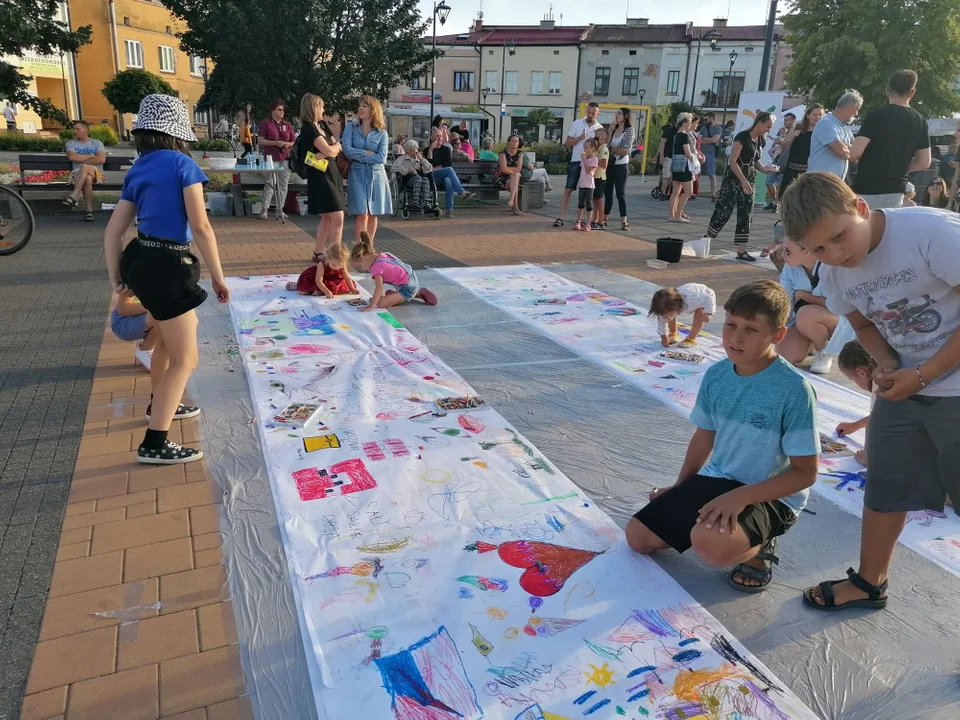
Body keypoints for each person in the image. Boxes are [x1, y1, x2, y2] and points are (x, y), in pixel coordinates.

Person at [780, 171, 960, 612]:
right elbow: (861, 321)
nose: (837, 255)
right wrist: (887, 364)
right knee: (886, 484)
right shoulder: (836, 270)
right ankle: (869, 582)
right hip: (909, 387)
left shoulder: (931, 234)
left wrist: (924, 374)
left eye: (840, 237)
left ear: (860, 207)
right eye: (820, 249)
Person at [626, 279, 819, 593]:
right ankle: (714, 523)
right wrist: (680, 487)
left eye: (750, 330)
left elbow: (805, 473)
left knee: (710, 546)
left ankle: (761, 547)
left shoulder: (794, 390)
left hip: (769, 494)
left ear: (777, 335)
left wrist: (740, 497)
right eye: (731, 325)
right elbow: (704, 437)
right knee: (638, 537)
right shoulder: (717, 375)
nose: (735, 338)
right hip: (719, 479)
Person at [104, 94, 229, 464]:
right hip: (170, 266)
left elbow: (113, 231)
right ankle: (155, 441)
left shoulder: (138, 168)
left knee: (167, 342)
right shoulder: (183, 165)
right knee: (186, 359)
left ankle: (160, 404)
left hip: (140, 260)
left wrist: (117, 277)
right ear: (178, 133)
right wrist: (220, 279)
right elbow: (201, 226)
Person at [696, 112, 778, 261]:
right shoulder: (742, 137)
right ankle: (706, 240)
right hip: (733, 178)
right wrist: (743, 180)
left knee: (746, 213)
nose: (768, 130)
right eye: (768, 126)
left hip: (749, 178)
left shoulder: (761, 140)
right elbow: (733, 161)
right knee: (724, 210)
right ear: (759, 122)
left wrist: (765, 170)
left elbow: (755, 161)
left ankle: (741, 250)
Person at [847, 71, 930, 209]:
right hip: (896, 189)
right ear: (912, 92)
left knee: (865, 228)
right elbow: (924, 162)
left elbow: (854, 153)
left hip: (867, 187)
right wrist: (901, 167)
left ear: (887, 91)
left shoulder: (875, 116)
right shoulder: (920, 121)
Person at [775, 236, 839, 374]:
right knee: (783, 357)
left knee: (805, 314)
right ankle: (812, 340)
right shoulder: (790, 268)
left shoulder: (833, 267)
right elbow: (786, 303)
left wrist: (806, 296)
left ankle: (824, 351)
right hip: (806, 321)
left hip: (839, 321)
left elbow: (841, 305)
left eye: (787, 251)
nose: (782, 255)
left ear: (806, 250)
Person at [296, 93, 346, 256]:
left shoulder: (322, 125)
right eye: (321, 106)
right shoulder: (308, 128)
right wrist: (332, 149)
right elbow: (330, 149)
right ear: (314, 107)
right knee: (337, 216)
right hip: (320, 175)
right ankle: (335, 255)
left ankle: (318, 252)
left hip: (331, 172)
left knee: (327, 217)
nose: (324, 110)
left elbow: (336, 148)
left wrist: (331, 149)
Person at [343, 96, 391, 245]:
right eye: (360, 106)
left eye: (365, 106)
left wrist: (359, 154)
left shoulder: (381, 133)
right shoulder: (351, 127)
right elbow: (347, 150)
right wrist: (366, 153)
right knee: (362, 213)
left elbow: (381, 158)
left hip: (376, 176)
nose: (360, 109)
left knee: (373, 213)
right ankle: (358, 246)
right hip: (356, 174)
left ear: (373, 110)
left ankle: (368, 246)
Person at [350, 231, 438, 309]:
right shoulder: (382, 256)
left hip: (408, 288)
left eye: (360, 266)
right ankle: (398, 295)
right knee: (377, 299)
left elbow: (379, 288)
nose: (362, 268)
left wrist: (371, 306)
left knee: (381, 303)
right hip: (410, 280)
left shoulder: (376, 268)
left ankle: (415, 294)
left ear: (364, 258)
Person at [554, 102, 602, 227]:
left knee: (589, 194)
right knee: (568, 189)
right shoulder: (577, 123)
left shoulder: (599, 128)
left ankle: (588, 221)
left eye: (593, 113)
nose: (590, 115)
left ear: (597, 113)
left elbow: (601, 147)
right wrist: (579, 138)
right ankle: (561, 217)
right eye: (589, 112)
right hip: (576, 161)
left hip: (590, 163)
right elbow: (567, 143)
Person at [836, 340, 877, 467]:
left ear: (861, 372)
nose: (855, 383)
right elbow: (878, 415)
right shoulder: (887, 371)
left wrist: (867, 456)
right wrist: (855, 425)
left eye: (852, 379)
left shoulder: (880, 387)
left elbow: (877, 421)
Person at [807, 90, 862, 180]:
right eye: (857, 109)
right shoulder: (826, 123)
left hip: (832, 183)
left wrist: (846, 146)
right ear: (849, 106)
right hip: (819, 182)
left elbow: (856, 149)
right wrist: (849, 148)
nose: (857, 113)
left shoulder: (844, 128)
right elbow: (841, 151)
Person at [257, 99, 296, 220]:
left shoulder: (287, 124)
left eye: (283, 110)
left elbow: (294, 141)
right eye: (279, 109)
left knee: (283, 184)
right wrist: (275, 143)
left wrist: (287, 144)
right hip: (271, 157)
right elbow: (260, 140)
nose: (282, 112)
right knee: (270, 183)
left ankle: (280, 209)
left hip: (285, 157)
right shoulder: (266, 123)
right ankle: (265, 209)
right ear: (272, 111)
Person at [647, 283, 716, 348]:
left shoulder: (691, 300)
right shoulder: (666, 307)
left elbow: (708, 297)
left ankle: (691, 338)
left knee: (699, 314)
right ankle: (673, 332)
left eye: (666, 314)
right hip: (689, 293)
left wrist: (708, 312)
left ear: (677, 307)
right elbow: (661, 322)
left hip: (704, 296)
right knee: (670, 316)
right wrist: (664, 338)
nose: (664, 317)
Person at [63, 120, 106, 222]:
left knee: (83, 166)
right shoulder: (71, 143)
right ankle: (89, 212)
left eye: (77, 129)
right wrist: (92, 156)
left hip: (97, 173)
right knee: (87, 178)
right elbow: (72, 157)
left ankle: (74, 195)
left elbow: (101, 159)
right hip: (77, 174)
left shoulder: (96, 143)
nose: (74, 131)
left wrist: (82, 159)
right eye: (73, 129)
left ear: (86, 130)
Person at [426, 130, 475, 217]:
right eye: (437, 136)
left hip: (443, 175)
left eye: (441, 136)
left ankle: (449, 210)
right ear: (432, 138)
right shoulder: (427, 150)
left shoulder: (446, 149)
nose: (439, 138)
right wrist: (431, 150)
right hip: (432, 177)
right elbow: (428, 166)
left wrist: (436, 167)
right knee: (449, 170)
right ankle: (462, 192)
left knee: (448, 180)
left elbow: (448, 163)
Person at [778, 104, 824, 196]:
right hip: (791, 171)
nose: (817, 117)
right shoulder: (798, 127)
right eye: (815, 114)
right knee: (787, 199)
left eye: (820, 115)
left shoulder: (822, 131)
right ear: (808, 115)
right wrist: (792, 136)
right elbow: (784, 146)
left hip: (809, 173)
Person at [285, 241, 357, 297]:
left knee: (344, 287)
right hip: (318, 279)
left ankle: (319, 291)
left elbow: (347, 277)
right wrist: (326, 291)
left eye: (339, 265)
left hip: (333, 280)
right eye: (334, 265)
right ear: (328, 259)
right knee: (303, 292)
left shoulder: (341, 264)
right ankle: (297, 285)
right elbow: (318, 281)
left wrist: (353, 289)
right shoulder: (321, 264)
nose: (337, 267)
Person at [604, 108, 635, 229]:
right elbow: (605, 145)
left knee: (620, 193)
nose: (616, 115)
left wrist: (612, 150)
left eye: (619, 113)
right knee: (608, 193)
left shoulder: (629, 131)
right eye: (616, 113)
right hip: (610, 164)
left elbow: (626, 150)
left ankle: (624, 221)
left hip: (621, 165)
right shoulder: (614, 129)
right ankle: (605, 218)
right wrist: (610, 131)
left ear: (625, 116)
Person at [763, 112, 795, 212]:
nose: (785, 122)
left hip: (787, 162)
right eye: (785, 120)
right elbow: (775, 144)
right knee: (768, 182)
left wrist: (781, 142)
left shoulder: (795, 132)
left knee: (780, 185)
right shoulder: (781, 131)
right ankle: (774, 202)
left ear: (793, 120)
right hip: (777, 160)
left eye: (787, 120)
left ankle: (777, 204)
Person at [668, 113, 697, 223]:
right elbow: (688, 153)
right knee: (688, 192)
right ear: (684, 122)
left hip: (676, 164)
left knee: (676, 192)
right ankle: (678, 214)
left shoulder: (676, 135)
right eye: (689, 122)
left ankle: (672, 214)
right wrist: (696, 159)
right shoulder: (684, 136)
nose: (690, 124)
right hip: (684, 166)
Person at [392, 139, 434, 209]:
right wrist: (407, 170)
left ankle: (425, 202)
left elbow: (430, 168)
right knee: (418, 179)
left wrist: (422, 160)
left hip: (419, 177)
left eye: (416, 149)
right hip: (408, 179)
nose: (415, 151)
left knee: (425, 179)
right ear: (407, 150)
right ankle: (415, 202)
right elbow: (393, 168)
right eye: (412, 149)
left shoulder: (420, 158)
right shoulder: (402, 159)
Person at [495, 134, 528, 217]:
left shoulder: (520, 154)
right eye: (512, 141)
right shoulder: (503, 153)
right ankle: (515, 208)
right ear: (509, 142)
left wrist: (509, 169)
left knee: (515, 177)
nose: (514, 143)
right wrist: (513, 170)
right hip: (500, 178)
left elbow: (519, 168)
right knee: (515, 179)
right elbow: (503, 169)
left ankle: (511, 200)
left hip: (511, 178)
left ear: (519, 143)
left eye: (516, 141)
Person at [573, 138, 599, 231]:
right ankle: (578, 221)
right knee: (580, 204)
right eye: (584, 147)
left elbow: (588, 171)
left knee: (589, 204)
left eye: (586, 147)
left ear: (592, 148)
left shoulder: (594, 159)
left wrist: (584, 160)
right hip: (582, 184)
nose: (584, 150)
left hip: (589, 186)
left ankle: (588, 223)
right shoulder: (584, 159)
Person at [698, 112, 722, 201]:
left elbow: (715, 140)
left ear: (712, 118)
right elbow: (698, 140)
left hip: (710, 154)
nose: (705, 121)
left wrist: (703, 139)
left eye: (706, 119)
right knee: (696, 174)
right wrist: (708, 140)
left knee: (711, 174)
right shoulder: (703, 128)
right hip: (700, 153)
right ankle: (694, 191)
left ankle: (713, 194)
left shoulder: (718, 128)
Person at [590, 128, 609, 230]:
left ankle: (601, 221)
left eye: (597, 137)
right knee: (595, 199)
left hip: (600, 177)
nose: (595, 139)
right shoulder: (598, 148)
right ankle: (594, 219)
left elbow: (604, 164)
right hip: (595, 176)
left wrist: (594, 160)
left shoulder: (604, 149)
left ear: (602, 138)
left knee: (599, 199)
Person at [656, 117, 677, 201]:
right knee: (666, 175)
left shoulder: (683, 132)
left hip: (678, 157)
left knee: (673, 177)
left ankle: (670, 192)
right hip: (668, 156)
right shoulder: (669, 131)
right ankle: (663, 193)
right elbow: (662, 143)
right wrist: (661, 156)